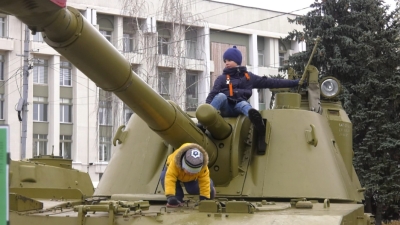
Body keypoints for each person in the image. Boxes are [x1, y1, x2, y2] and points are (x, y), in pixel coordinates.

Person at [203, 46, 299, 151]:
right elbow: (213, 93)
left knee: (245, 105)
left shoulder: (248, 77)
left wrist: (295, 83)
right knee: (220, 96)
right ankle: (204, 120)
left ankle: (259, 125)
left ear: (237, 61)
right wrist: (205, 108)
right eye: (225, 60)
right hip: (226, 107)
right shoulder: (221, 78)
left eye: (229, 60)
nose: (226, 63)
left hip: (238, 107)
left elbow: (270, 82)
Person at [160, 143, 215, 207]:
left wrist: (204, 198)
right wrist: (170, 196)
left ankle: (211, 189)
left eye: (194, 171)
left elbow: (204, 182)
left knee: (193, 189)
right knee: (164, 177)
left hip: (192, 179)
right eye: (189, 170)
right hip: (175, 172)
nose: (191, 173)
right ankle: (177, 199)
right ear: (183, 164)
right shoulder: (175, 162)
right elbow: (170, 177)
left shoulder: (203, 167)